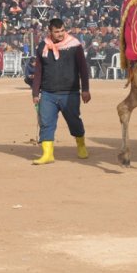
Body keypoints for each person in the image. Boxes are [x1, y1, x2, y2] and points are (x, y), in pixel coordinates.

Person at [31, 18, 91, 164]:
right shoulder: (43, 46)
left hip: (70, 93)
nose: (60, 34)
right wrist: (35, 93)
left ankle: (81, 145)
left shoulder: (74, 45)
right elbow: (38, 71)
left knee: (74, 121)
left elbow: (83, 69)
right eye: (57, 31)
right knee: (46, 122)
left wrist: (85, 89)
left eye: (62, 30)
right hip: (48, 93)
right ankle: (47, 154)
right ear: (50, 32)